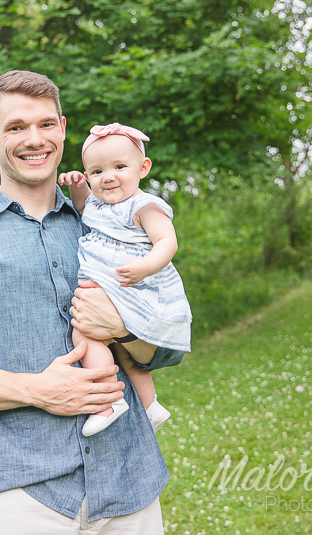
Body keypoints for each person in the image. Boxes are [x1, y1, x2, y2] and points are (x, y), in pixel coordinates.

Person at [0, 70, 186, 534]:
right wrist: (37, 390)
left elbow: (166, 345)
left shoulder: (111, 224)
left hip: (130, 484)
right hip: (23, 495)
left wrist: (122, 330)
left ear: (64, 128)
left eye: (46, 125)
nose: (35, 139)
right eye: (16, 127)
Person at [58, 122, 189, 437]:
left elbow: (167, 242)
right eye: (97, 171)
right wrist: (76, 186)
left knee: (85, 337)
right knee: (123, 354)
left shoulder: (143, 205)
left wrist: (145, 267)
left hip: (135, 287)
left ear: (143, 168)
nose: (109, 176)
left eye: (119, 166)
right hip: (111, 290)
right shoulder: (99, 205)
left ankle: (108, 403)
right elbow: (82, 207)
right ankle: (151, 405)